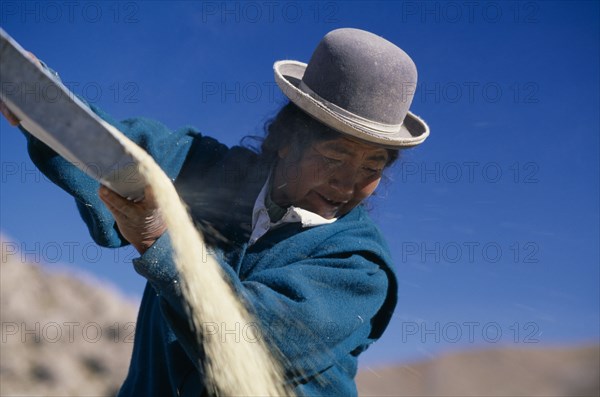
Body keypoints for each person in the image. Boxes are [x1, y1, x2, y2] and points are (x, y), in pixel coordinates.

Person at [2, 28, 429, 396]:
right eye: (335, 157)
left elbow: (250, 339)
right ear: (286, 138)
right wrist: (38, 99)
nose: (349, 183)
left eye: (372, 168)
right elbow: (118, 150)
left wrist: (162, 242)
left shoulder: (357, 268)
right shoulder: (210, 172)